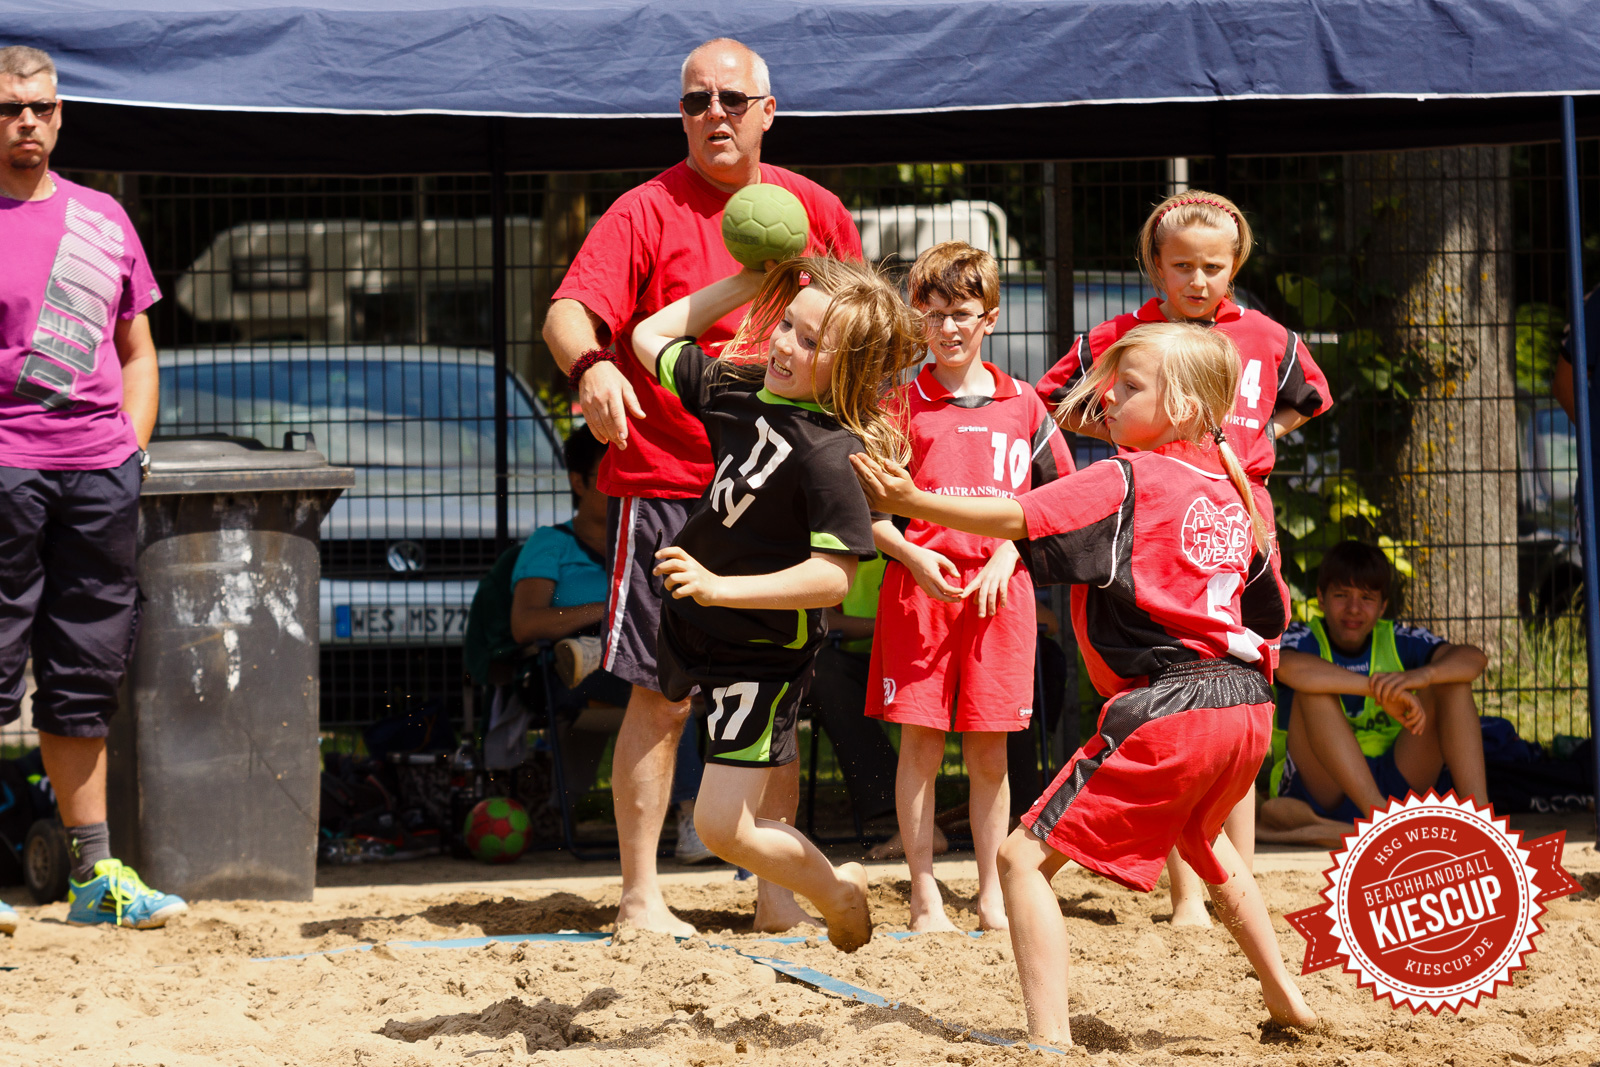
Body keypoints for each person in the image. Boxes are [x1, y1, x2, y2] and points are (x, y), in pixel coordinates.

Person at [855, 322, 1318, 1046]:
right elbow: (1271, 614)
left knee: (1020, 860)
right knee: (1206, 841)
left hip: (1171, 704)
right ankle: (1286, 994)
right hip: (1248, 704)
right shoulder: (1240, 495)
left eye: (1129, 388)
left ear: (1185, 406)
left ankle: (1048, 1040)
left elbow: (1017, 515)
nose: (1108, 398)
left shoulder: (1126, 479)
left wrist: (916, 501)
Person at [541, 37, 862, 936]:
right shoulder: (645, 209)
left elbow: (862, 334)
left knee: (778, 697)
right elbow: (569, 312)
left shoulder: (817, 211)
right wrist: (594, 367)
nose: (713, 113)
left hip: (778, 493)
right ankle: (641, 895)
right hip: (671, 484)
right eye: (695, 101)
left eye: (730, 98)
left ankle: (777, 895)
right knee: (661, 691)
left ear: (767, 111)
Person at [1037, 189, 1333, 926]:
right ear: (1154, 265)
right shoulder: (1124, 335)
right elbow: (1055, 396)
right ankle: (1186, 896)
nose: (1198, 281)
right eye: (1181, 266)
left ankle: (1241, 879)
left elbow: (1310, 398)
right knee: (1170, 690)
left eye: (1213, 266)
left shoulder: (1266, 335)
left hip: (1240, 511)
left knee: (1240, 684)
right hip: (1157, 515)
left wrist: (1255, 441)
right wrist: (1126, 434)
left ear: (1236, 265)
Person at [630, 255, 923, 952]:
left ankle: (835, 892)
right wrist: (746, 284)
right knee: (683, 760)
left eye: (810, 341)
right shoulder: (738, 387)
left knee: (721, 828)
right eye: (787, 324)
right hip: (695, 623)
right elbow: (648, 337)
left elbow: (832, 578)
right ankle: (821, 887)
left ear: (850, 369)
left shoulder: (830, 455)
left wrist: (719, 587)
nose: (785, 345)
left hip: (759, 653)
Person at [0, 46, 186, 932]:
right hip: (7, 472)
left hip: (100, 477)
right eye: (8, 108)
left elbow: (137, 350)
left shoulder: (104, 218)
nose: (24, 122)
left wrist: (130, 453)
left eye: (39, 107)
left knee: (84, 675)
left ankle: (93, 878)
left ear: (61, 114)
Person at [865, 241, 1073, 932]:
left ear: (990, 317)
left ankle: (990, 895)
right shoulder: (897, 405)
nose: (948, 328)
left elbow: (1059, 503)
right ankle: (924, 894)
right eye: (933, 314)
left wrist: (1010, 552)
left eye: (961, 313)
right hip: (920, 593)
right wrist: (911, 556)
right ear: (917, 318)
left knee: (990, 752)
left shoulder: (1026, 405)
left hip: (999, 597)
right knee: (921, 748)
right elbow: (863, 514)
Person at [507, 425, 711, 861]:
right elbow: (525, 625)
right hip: (570, 673)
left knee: (673, 676)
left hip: (646, 652)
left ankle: (732, 820)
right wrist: (611, 610)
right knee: (666, 685)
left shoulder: (653, 536)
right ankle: (690, 817)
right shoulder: (551, 543)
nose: (622, 481)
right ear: (578, 482)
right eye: (611, 471)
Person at [1261, 540, 1489, 834]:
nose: (1353, 609)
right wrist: (1379, 689)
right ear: (1321, 598)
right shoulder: (1301, 636)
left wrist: (1423, 676)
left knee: (1453, 683)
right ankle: (1380, 822)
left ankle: (1481, 820)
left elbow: (1474, 659)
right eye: (1341, 595)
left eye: (1367, 598)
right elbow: (1289, 668)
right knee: (1311, 691)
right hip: (1325, 785)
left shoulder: (1398, 636)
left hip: (1399, 774)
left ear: (1382, 607)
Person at [806, 555, 899, 833]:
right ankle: (890, 809)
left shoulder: (921, 538)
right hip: (861, 659)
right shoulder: (830, 544)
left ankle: (1013, 812)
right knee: (823, 671)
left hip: (928, 656)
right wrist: (887, 626)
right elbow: (823, 620)